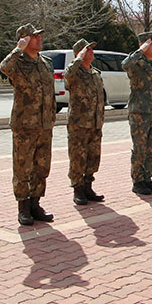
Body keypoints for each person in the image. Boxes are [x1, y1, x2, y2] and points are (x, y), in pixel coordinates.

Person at [0, 24, 56, 225]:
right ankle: (23, 207)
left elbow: (51, 93)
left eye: (39, 36)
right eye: (34, 37)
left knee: (42, 167)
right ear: (24, 40)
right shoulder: (17, 63)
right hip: (25, 125)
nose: (39, 39)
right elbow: (3, 68)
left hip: (44, 125)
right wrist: (18, 49)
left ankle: (35, 204)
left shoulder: (46, 63)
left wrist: (51, 119)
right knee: (23, 167)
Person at [65, 38, 105, 205]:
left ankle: (88, 186)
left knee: (93, 157)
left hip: (95, 123)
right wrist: (78, 59)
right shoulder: (74, 73)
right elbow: (67, 76)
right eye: (87, 50)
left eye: (91, 49)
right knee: (77, 157)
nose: (91, 52)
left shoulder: (95, 73)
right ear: (79, 53)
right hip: (79, 124)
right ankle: (78, 189)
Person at [123, 32, 152, 195]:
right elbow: (125, 64)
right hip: (139, 112)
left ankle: (147, 178)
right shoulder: (136, 63)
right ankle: (138, 181)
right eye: (151, 44)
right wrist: (141, 50)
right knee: (140, 148)